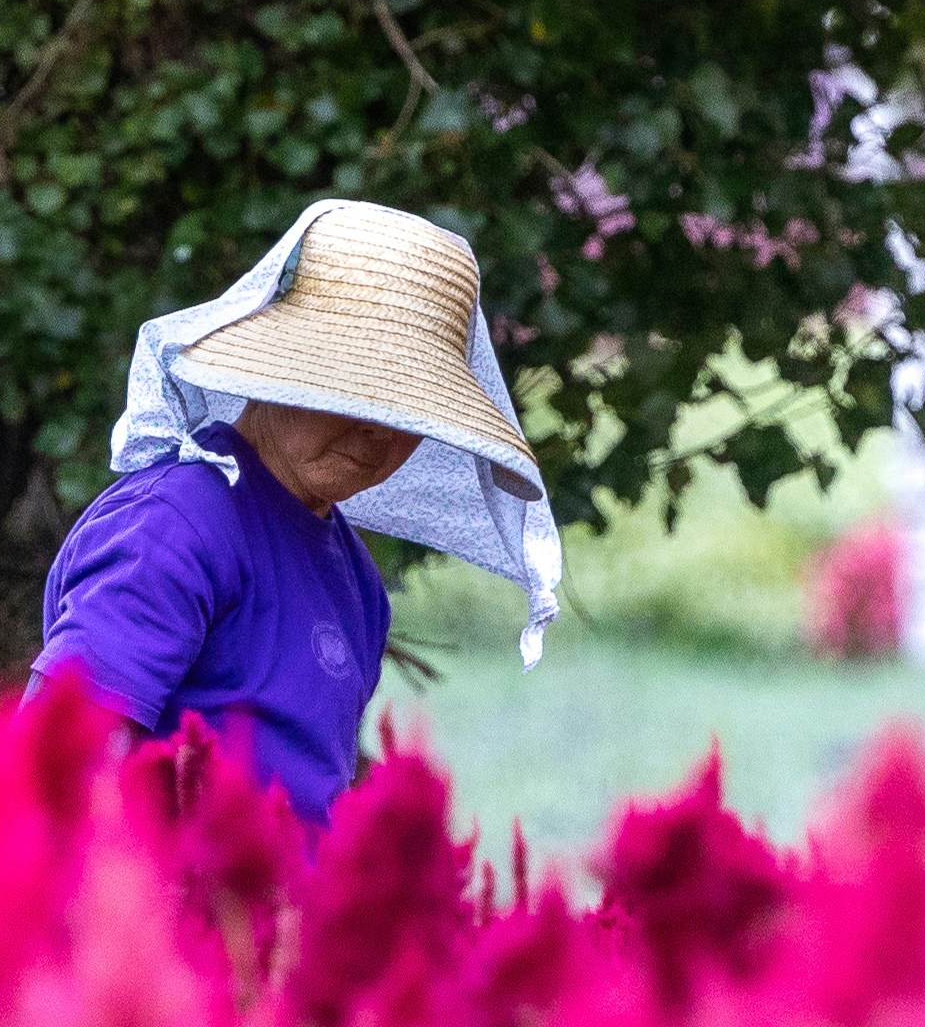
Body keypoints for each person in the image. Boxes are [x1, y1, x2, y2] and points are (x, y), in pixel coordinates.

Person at [30, 196, 565, 824]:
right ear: (280, 378)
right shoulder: (175, 527)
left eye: (407, 414)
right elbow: (53, 765)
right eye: (352, 393)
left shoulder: (358, 584)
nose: (377, 435)